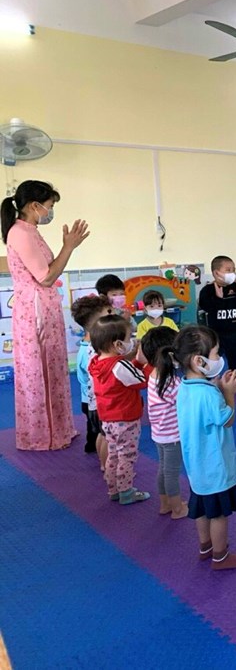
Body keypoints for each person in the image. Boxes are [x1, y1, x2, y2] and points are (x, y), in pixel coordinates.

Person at [2, 180, 89, 451]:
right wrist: (69, 246)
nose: (50, 212)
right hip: (35, 310)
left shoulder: (30, 231)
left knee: (52, 367)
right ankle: (43, 436)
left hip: (44, 307)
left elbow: (48, 270)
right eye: (49, 206)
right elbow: (46, 277)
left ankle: (58, 429)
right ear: (34, 206)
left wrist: (67, 247)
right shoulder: (20, 233)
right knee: (39, 371)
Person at [157, 325, 236, 570]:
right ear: (199, 361)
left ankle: (205, 547)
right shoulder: (208, 394)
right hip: (214, 465)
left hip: (196, 464)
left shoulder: (186, 386)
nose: (219, 359)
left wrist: (219, 388)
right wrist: (229, 393)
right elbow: (227, 419)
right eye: (216, 354)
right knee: (218, 513)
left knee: (202, 507)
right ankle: (220, 556)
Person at [88, 315, 150, 505]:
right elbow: (141, 381)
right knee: (127, 456)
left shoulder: (97, 362)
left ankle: (113, 489)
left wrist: (136, 363)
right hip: (126, 419)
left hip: (108, 418)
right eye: (129, 338)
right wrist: (148, 364)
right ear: (117, 344)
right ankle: (126, 491)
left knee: (114, 454)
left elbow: (126, 377)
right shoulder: (119, 365)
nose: (132, 341)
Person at [141, 326, 188, 519]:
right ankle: (177, 509)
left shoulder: (154, 375)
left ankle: (165, 504)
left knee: (163, 469)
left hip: (160, 434)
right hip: (172, 436)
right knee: (171, 473)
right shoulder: (171, 382)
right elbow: (187, 401)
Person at [71, 295, 112, 464]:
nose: (112, 316)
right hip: (96, 401)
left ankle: (102, 461)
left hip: (91, 400)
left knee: (100, 433)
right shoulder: (92, 352)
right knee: (106, 435)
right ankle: (106, 464)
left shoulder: (91, 347)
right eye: (108, 313)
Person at [198, 255, 236, 373]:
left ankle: (235, 379)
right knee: (211, 362)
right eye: (228, 270)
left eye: (234, 270)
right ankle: (209, 379)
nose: (232, 273)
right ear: (216, 273)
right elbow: (206, 307)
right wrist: (218, 298)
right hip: (217, 334)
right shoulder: (207, 290)